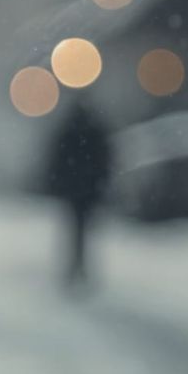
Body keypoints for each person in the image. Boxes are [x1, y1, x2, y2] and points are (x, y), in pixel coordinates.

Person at [43, 97, 113, 287]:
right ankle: (80, 267)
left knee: (74, 231)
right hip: (87, 189)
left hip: (75, 189)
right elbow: (104, 159)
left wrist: (57, 183)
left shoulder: (69, 131)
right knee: (82, 231)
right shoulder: (94, 131)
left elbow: (57, 160)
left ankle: (74, 267)